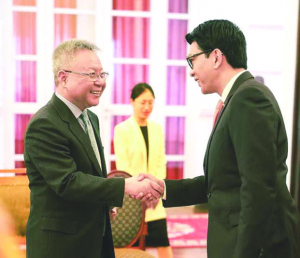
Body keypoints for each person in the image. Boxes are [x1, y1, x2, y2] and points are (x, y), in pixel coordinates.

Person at [136, 20, 300, 258]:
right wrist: (165, 188)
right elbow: (223, 183)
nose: (191, 70)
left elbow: (258, 190)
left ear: (215, 57)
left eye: (192, 60)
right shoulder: (237, 98)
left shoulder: (248, 98)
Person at [24, 39, 163, 258]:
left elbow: (91, 174)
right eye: (92, 75)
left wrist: (106, 202)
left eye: (102, 75)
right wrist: (124, 186)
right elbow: (68, 182)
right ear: (64, 78)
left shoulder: (91, 118)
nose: (100, 82)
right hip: (62, 246)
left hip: (95, 239)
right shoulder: (45, 123)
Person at [114, 83, 173, 258]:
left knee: (163, 242)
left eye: (151, 102)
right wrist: (142, 190)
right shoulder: (122, 129)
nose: (147, 107)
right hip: (134, 197)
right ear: (132, 101)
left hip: (154, 197)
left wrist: (155, 188)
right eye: (143, 102)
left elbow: (161, 160)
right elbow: (123, 166)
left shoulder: (157, 129)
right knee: (138, 246)